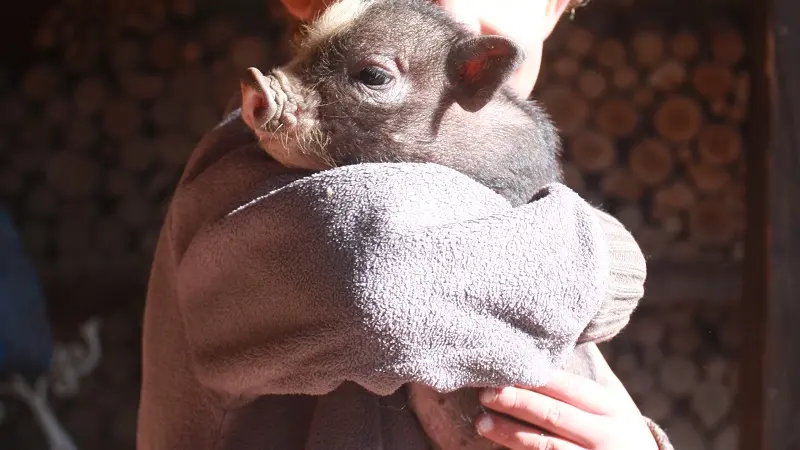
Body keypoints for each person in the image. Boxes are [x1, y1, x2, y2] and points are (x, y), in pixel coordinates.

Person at [135, 1, 673, 449]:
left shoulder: (516, 202)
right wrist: (603, 261)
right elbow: (378, 271)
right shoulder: (255, 173)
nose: (448, 6)